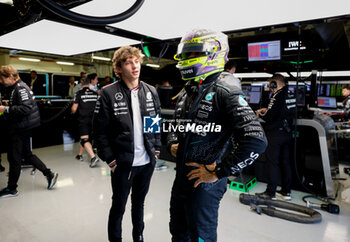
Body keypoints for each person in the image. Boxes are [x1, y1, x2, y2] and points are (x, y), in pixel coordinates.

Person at [167, 29, 267, 241]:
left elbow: (256, 140)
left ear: (214, 53)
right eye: (184, 54)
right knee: (178, 231)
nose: (186, 59)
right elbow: (176, 125)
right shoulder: (189, 88)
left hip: (205, 183)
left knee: (201, 236)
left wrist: (219, 172)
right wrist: (173, 142)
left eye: (192, 54)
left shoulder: (225, 88)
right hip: (182, 178)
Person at [93, 46, 161, 242]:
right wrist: (111, 161)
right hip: (123, 164)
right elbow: (100, 132)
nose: (134, 66)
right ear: (118, 68)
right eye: (129, 62)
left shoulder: (151, 91)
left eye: (137, 61)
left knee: (139, 204)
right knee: (119, 206)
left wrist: (155, 150)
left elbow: (154, 124)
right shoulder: (108, 93)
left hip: (147, 162)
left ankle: (138, 237)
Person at [0, 65, 58, 198]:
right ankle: (49, 174)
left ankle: (12, 189)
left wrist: (6, 109)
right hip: (23, 126)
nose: (1, 81)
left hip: (21, 127)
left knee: (14, 158)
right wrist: (9, 105)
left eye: (2, 78)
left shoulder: (20, 88)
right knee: (27, 155)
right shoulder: (17, 87)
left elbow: (25, 108)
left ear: (10, 77)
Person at [255, 74, 296, 201]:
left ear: (274, 83)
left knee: (272, 162)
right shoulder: (290, 93)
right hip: (287, 133)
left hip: (275, 134)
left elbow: (269, 117)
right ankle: (286, 192)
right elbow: (282, 110)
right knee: (285, 162)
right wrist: (267, 109)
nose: (269, 87)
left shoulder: (276, 95)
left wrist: (260, 114)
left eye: (270, 84)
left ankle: (270, 192)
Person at [71, 77, 99, 168]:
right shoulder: (95, 93)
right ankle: (80, 155)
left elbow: (74, 109)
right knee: (86, 138)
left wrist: (72, 111)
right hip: (95, 120)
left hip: (84, 119)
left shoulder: (79, 93)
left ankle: (93, 157)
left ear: (81, 84)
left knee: (84, 139)